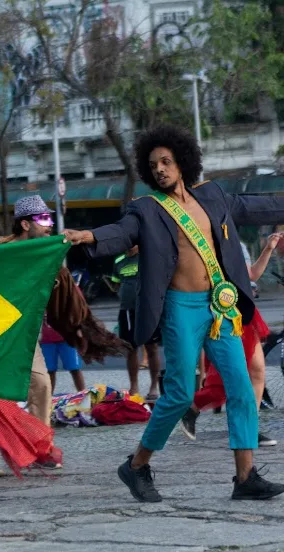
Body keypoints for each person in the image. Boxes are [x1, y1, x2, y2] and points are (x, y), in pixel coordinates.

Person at [65, 124, 284, 502]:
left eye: (166, 161)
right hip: (181, 309)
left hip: (221, 305)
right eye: (153, 165)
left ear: (183, 162)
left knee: (243, 389)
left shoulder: (213, 197)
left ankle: (245, 477)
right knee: (181, 393)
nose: (160, 169)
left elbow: (254, 206)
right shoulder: (146, 209)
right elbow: (123, 231)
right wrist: (91, 236)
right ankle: (136, 466)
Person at [0, 196, 60, 476]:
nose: (50, 225)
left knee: (42, 385)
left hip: (25, 335)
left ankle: (40, 446)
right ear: (25, 224)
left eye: (50, 219)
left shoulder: (45, 252)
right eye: (43, 220)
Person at [181, 232, 283, 446]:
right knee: (231, 379)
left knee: (256, 372)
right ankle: (193, 407)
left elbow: (252, 275)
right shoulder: (201, 252)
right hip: (223, 319)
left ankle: (250, 429)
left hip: (245, 315)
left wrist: (268, 248)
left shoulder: (231, 247)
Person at [111, 246, 161, 400]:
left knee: (151, 347)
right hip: (126, 310)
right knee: (130, 348)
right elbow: (115, 284)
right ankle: (134, 385)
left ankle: (154, 386)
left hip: (147, 309)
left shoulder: (147, 257)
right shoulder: (119, 260)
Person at [40, 314, 85, 393]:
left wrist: (78, 328)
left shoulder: (62, 302)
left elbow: (75, 311)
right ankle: (48, 398)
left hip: (67, 339)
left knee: (74, 368)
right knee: (49, 370)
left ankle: (83, 394)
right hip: (46, 341)